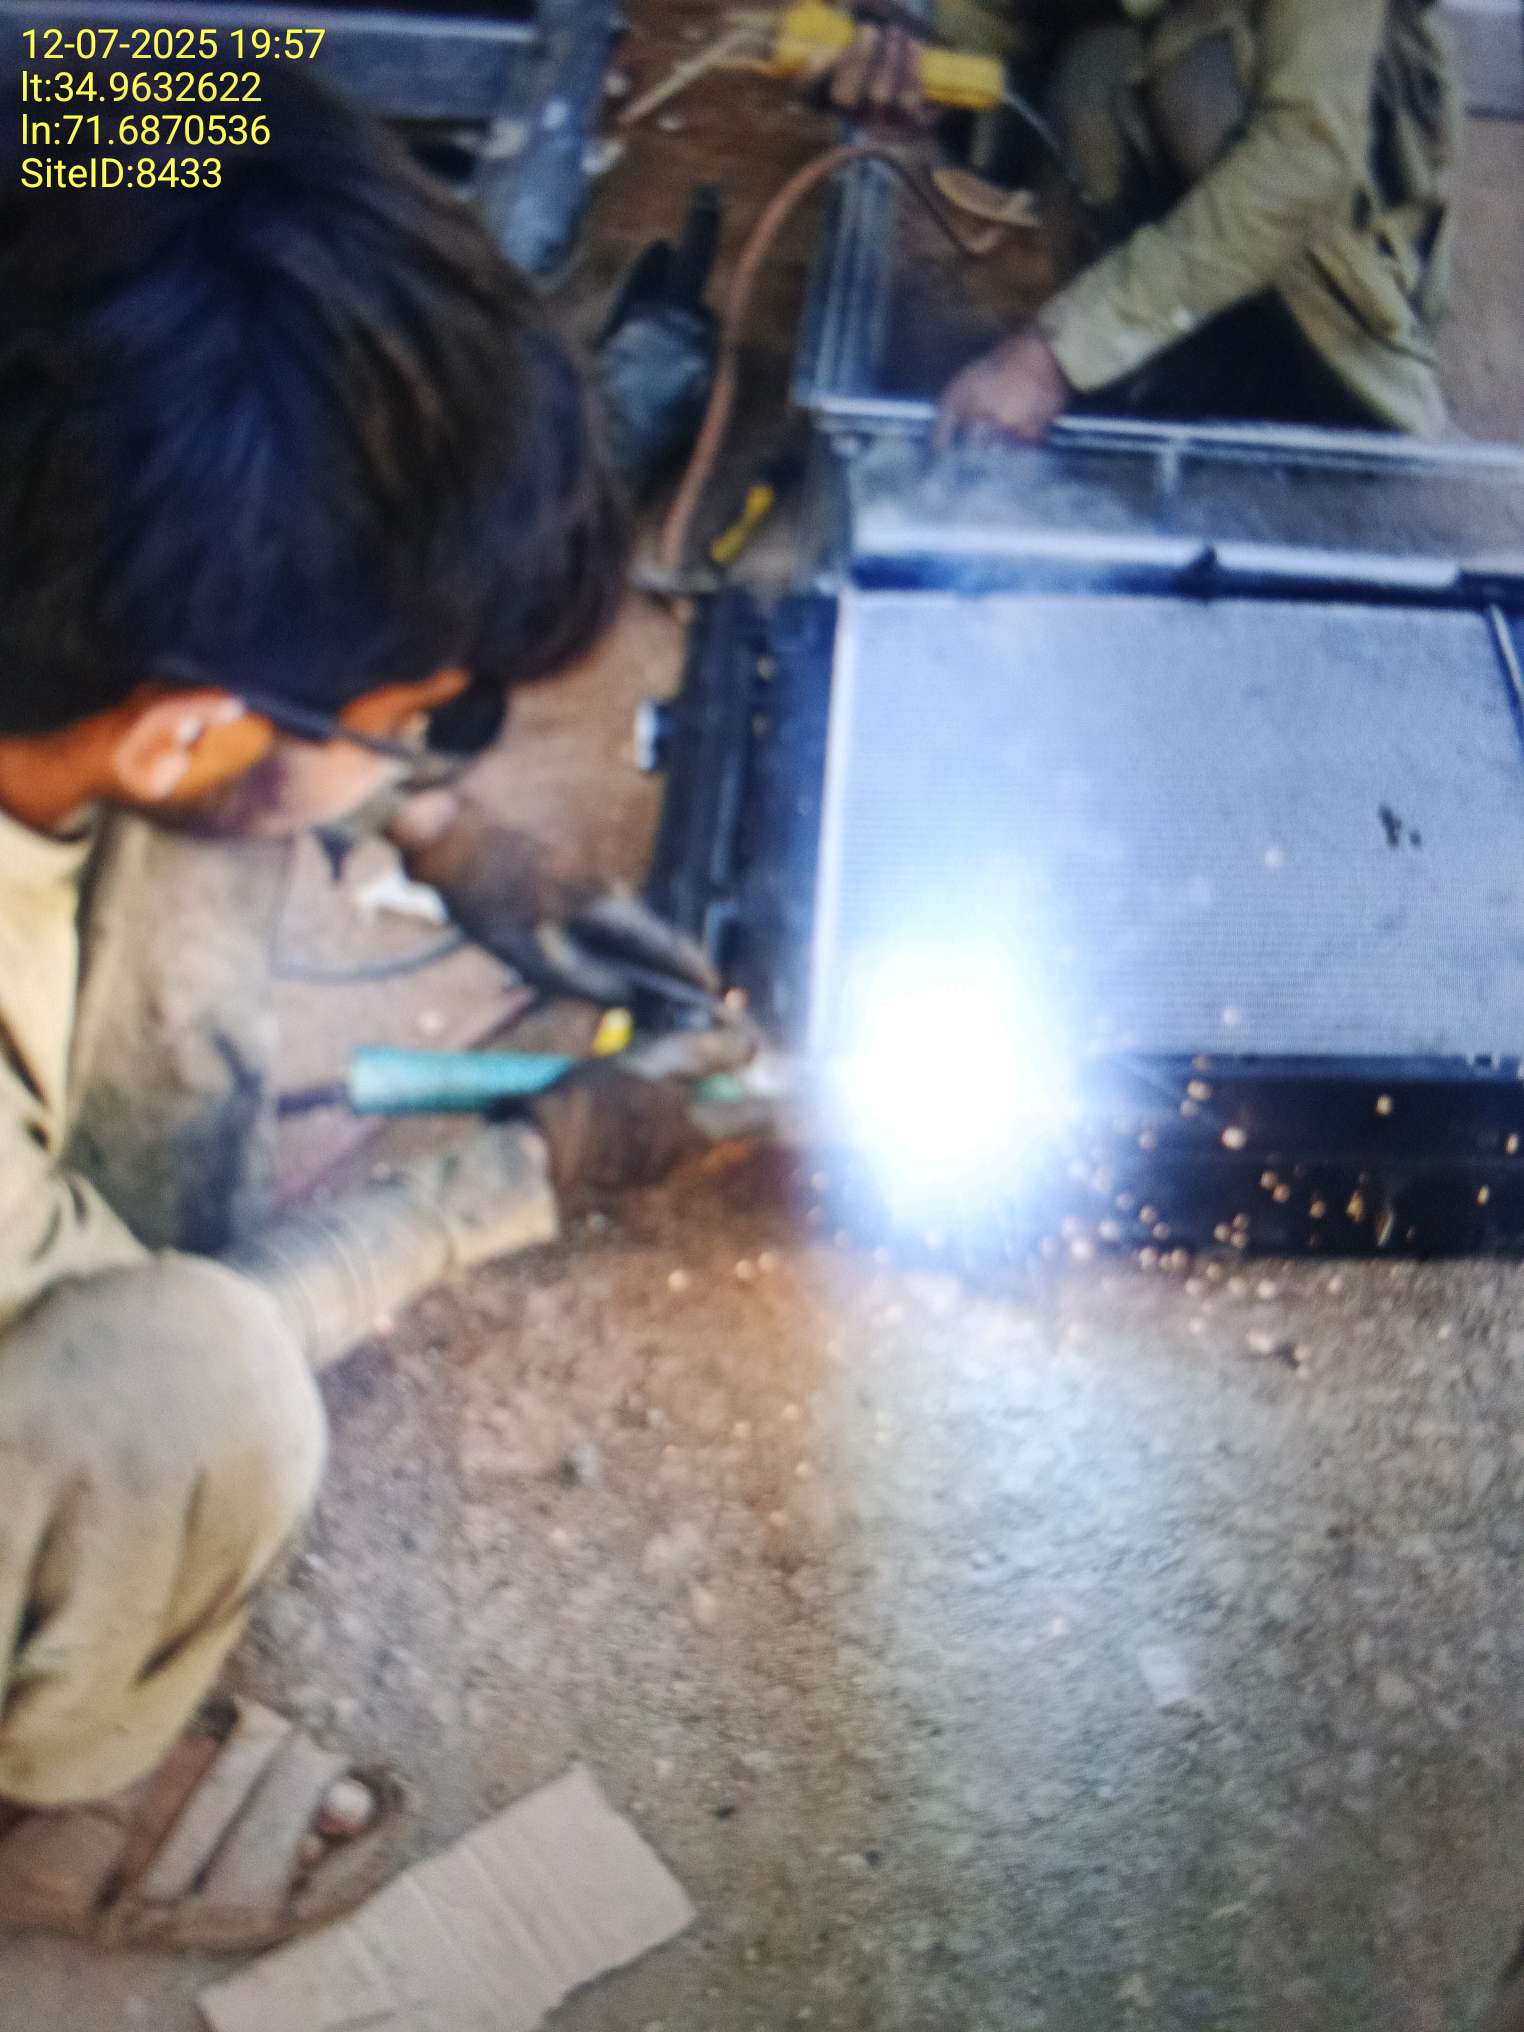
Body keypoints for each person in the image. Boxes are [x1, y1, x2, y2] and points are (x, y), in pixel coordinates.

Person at [0, 66, 758, 1949]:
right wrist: (527, 1170)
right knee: (197, 1388)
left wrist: (441, 828)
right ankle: (43, 1779)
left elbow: (170, 118)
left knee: (215, 836)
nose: (440, 743)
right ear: (180, 716)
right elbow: (215, 1344)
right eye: (422, 714)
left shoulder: (74, 179)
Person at [834, 0, 1463, 440]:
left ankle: (1335, 386)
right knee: (1096, 70)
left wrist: (1061, 351)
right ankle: (1151, 380)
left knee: (1193, 69)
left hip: (1329, 179)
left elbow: (1305, 158)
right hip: (1172, 104)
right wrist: (918, 58)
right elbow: (997, 24)